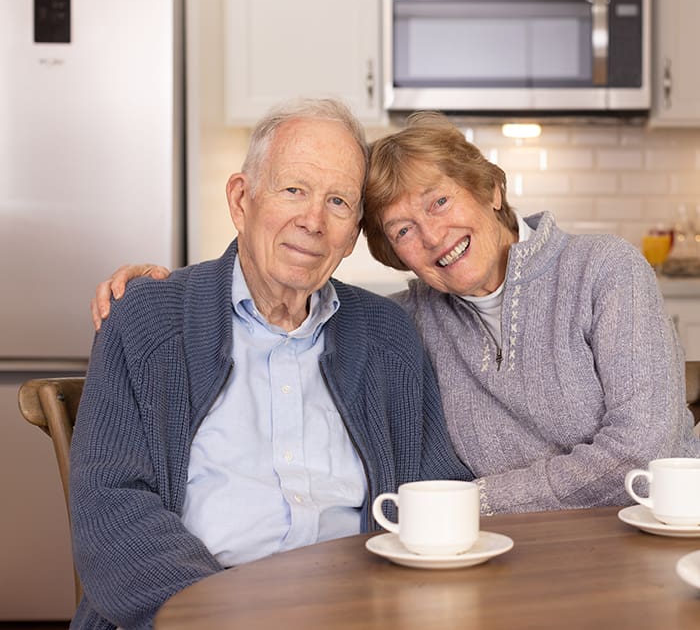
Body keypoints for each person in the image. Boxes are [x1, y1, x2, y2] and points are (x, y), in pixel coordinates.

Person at [72, 99, 473, 630]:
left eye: (337, 201)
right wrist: (218, 615)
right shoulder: (150, 318)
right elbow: (111, 510)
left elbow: (432, 492)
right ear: (242, 200)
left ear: (353, 231)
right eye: (293, 190)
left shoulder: (387, 335)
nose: (312, 221)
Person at [361, 111, 700, 515]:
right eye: (403, 230)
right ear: (394, 255)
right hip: (504, 551)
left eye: (440, 201)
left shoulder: (606, 269)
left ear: (490, 190)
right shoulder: (406, 320)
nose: (432, 237)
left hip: (647, 532)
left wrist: (477, 500)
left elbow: (642, 456)